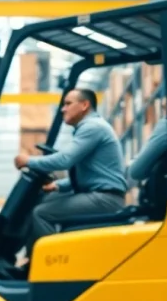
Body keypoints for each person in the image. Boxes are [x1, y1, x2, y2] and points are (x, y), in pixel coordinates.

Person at [14, 88, 128, 262]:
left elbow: (64, 160)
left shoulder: (92, 127)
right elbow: (90, 174)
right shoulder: (91, 128)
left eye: (68, 104)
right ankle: (31, 263)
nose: (63, 109)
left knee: (41, 213)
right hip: (100, 195)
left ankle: (54, 267)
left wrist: (28, 161)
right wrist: (58, 185)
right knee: (46, 201)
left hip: (105, 199)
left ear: (84, 105)